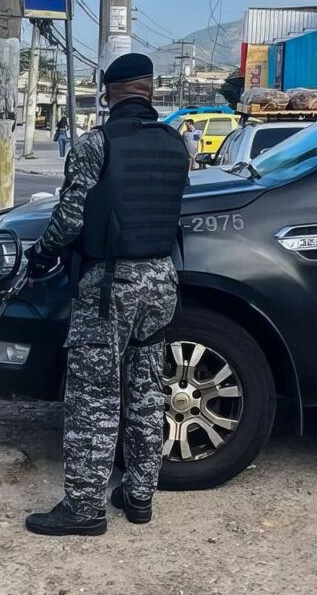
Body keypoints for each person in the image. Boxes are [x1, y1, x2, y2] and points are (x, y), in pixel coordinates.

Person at [22, 53, 189, 536]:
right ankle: (138, 496)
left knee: (94, 396)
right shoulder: (176, 144)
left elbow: (70, 219)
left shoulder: (96, 144)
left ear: (110, 91)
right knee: (145, 389)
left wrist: (42, 253)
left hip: (110, 285)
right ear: (150, 90)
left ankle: (84, 508)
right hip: (161, 278)